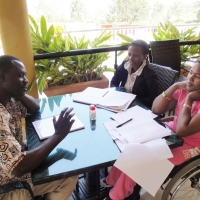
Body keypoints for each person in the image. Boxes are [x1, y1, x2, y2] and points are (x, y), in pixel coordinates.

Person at [101, 60, 200, 200]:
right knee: (133, 146)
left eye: (197, 76)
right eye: (191, 72)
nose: (189, 78)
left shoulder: (189, 95)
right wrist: (175, 86)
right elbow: (156, 109)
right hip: (169, 133)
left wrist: (189, 99)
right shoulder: (184, 89)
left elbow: (182, 130)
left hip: (191, 144)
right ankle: (112, 181)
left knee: (143, 160)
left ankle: (117, 196)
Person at [0, 55, 78, 200]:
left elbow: (34, 108)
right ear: (1, 77)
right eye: (20, 76)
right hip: (8, 187)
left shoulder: (9, 100)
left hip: (15, 169)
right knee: (69, 174)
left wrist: (18, 91)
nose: (26, 80)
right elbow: (19, 168)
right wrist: (58, 135)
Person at [110, 40, 159, 108]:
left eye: (135, 55)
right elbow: (114, 82)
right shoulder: (125, 65)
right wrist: (118, 95)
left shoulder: (149, 74)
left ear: (144, 56)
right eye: (129, 54)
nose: (131, 58)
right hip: (122, 103)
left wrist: (132, 100)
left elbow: (154, 98)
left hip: (139, 107)